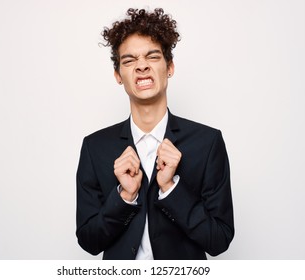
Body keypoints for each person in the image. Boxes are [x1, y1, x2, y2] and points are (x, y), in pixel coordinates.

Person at [76, 8, 234, 260]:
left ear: (169, 67)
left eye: (152, 57)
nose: (141, 67)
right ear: (118, 75)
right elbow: (89, 240)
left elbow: (219, 239)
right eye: (129, 61)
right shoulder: (95, 147)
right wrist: (124, 197)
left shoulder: (207, 143)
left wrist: (171, 189)